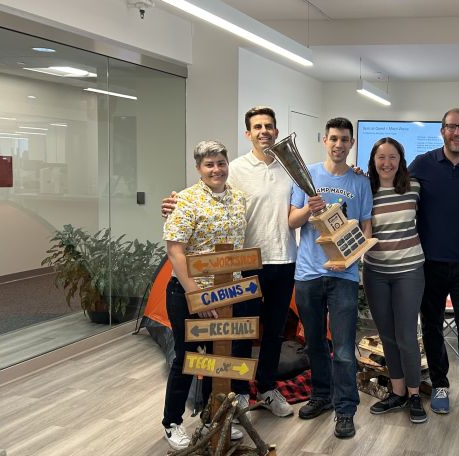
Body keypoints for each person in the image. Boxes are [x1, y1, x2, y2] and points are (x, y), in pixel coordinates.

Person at [162, 106, 296, 418]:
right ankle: (234, 396)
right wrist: (172, 203)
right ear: (248, 134)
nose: (264, 131)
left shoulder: (289, 168)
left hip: (282, 258)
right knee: (233, 337)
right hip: (242, 266)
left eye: (269, 126)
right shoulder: (234, 169)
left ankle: (264, 388)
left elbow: (295, 208)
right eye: (257, 126)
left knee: (271, 333)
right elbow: (198, 198)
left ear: (276, 131)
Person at [289, 117, 373, 439]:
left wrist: (350, 259)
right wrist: (309, 210)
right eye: (334, 138)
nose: (339, 145)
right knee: (314, 343)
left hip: (345, 277)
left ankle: (345, 409)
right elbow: (291, 222)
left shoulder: (360, 182)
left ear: (351, 144)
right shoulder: (305, 174)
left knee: (344, 348)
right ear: (325, 140)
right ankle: (321, 396)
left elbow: (366, 228)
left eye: (344, 140)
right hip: (308, 274)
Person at [161, 140, 247, 450]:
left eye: (221, 162)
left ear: (227, 165)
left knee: (217, 357)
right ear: (198, 168)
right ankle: (172, 422)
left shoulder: (238, 199)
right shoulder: (184, 200)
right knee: (187, 357)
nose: (216, 169)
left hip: (227, 292)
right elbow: (175, 250)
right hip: (188, 292)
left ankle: (212, 418)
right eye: (209, 164)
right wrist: (198, 295)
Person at [408, 108, 459, 421]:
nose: (457, 132)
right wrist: (366, 176)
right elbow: (394, 187)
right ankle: (440, 385)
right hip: (429, 263)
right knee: (431, 326)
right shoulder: (422, 164)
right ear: (442, 131)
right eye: (451, 127)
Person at [362, 137, 427, 424]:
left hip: (409, 270)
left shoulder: (414, 187)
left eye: (392, 157)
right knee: (386, 335)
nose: (387, 163)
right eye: (381, 158)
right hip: (375, 272)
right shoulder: (365, 189)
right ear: (373, 161)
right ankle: (397, 392)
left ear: (401, 160)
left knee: (406, 336)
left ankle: (414, 395)